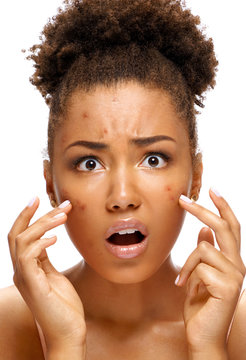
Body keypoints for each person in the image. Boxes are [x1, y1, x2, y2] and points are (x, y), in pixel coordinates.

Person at [0, 0, 245, 358]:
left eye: (153, 158)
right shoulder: (8, 325)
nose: (123, 196)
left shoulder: (236, 329)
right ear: (51, 184)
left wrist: (208, 347)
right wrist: (65, 345)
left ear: (195, 178)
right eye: (89, 163)